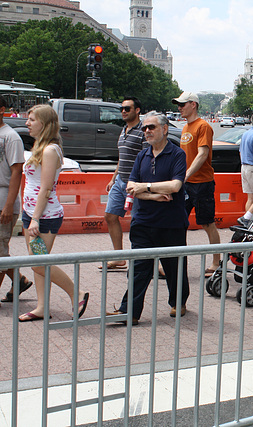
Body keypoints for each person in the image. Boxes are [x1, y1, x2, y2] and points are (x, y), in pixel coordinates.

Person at [107, 113, 190, 324]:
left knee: (174, 268)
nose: (147, 131)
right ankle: (130, 312)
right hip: (143, 222)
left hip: (171, 224)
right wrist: (153, 194)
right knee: (138, 269)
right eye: (144, 128)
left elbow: (175, 186)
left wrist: (145, 187)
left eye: (151, 127)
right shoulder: (142, 156)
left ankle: (178, 302)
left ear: (164, 129)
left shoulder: (177, 154)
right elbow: (130, 188)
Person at [18, 105, 89, 322]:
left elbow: (46, 188)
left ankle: (76, 293)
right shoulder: (41, 147)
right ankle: (41, 307)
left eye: (31, 119)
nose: (27, 123)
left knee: (39, 263)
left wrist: (36, 219)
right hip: (31, 214)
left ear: (45, 124)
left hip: (44, 217)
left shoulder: (50, 150)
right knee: (39, 263)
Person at [173, 92, 220, 274]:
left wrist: (185, 175)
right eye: (179, 104)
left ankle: (217, 262)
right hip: (185, 183)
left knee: (207, 223)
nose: (179, 107)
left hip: (202, 183)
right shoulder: (185, 127)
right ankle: (176, 261)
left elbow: (202, 154)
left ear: (193, 104)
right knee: (178, 222)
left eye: (183, 104)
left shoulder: (203, 126)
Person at [103, 97, 146, 270]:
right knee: (110, 216)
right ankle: (119, 257)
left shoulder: (143, 130)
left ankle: (141, 260)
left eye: (127, 108)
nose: (123, 111)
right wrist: (113, 178)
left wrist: (140, 184)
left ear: (137, 110)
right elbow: (123, 157)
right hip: (120, 181)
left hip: (135, 184)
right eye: (121, 108)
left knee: (138, 222)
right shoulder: (124, 130)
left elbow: (145, 158)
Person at [0, 95, 32, 304]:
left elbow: (16, 172)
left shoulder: (10, 136)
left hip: (3, 199)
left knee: (0, 252)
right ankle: (19, 280)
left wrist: (8, 205)